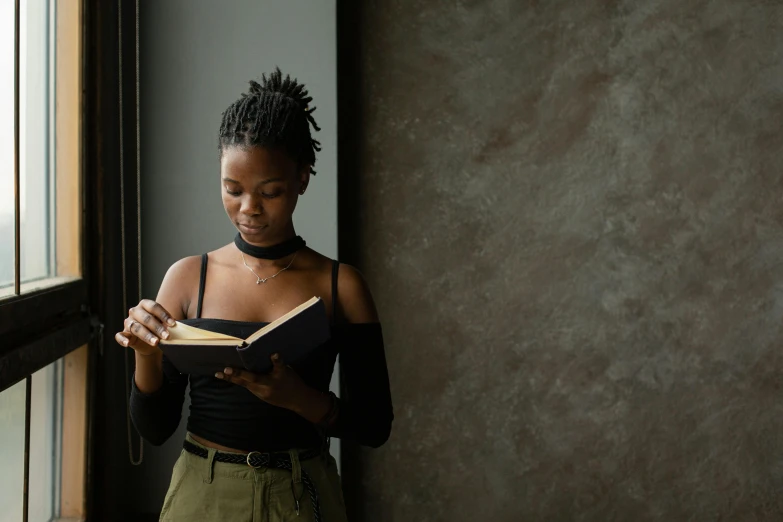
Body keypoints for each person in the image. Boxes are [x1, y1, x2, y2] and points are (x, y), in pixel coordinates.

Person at [115, 68, 393, 522]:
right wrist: (146, 356)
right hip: (203, 495)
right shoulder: (188, 278)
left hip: (302, 493)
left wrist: (298, 398)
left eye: (271, 192)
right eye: (233, 189)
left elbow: (375, 425)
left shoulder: (342, 286)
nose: (249, 209)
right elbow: (155, 428)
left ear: (303, 178)